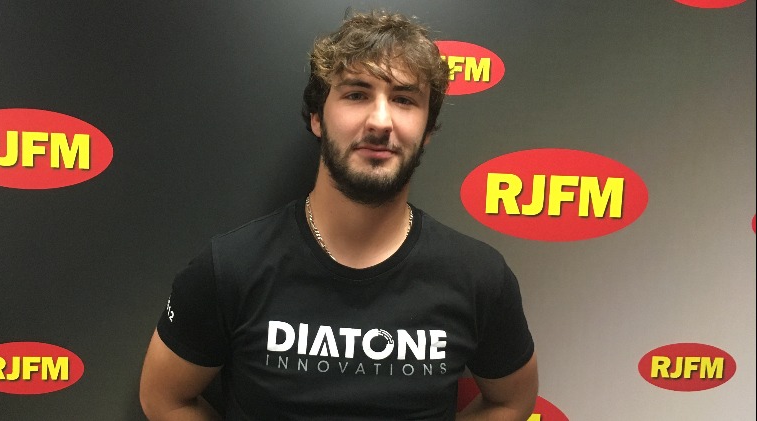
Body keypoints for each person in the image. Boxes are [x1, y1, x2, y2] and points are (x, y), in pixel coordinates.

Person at [139, 10, 538, 420]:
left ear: (427, 132)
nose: (380, 121)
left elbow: (511, 400)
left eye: (404, 99)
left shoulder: (478, 277)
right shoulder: (231, 267)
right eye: (356, 94)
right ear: (317, 117)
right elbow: (164, 398)